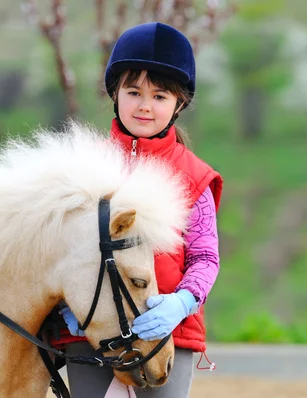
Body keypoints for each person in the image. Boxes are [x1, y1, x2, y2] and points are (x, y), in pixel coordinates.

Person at [59, 22, 224, 398]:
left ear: (179, 104)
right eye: (133, 92)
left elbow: (205, 258)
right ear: (115, 93)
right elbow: (58, 246)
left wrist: (181, 304)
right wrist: (68, 305)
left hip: (165, 332)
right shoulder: (81, 167)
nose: (145, 106)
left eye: (160, 96)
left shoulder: (194, 177)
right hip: (91, 330)